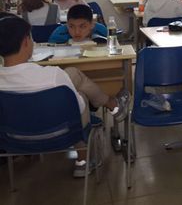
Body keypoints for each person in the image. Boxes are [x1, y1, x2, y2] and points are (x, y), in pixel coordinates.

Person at [0, 13, 130, 177]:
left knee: (72, 75)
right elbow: (78, 109)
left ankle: (112, 106)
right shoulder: (53, 75)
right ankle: (84, 160)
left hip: (13, 139)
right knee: (80, 95)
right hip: (60, 135)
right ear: (26, 41)